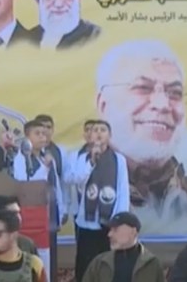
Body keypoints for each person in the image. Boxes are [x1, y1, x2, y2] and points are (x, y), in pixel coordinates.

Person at [95, 40, 187, 222]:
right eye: (143, 88)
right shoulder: (83, 184)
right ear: (104, 105)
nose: (162, 105)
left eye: (175, 92)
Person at [65, 120, 130, 282]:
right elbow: (75, 181)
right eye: (95, 130)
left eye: (103, 130)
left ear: (110, 136)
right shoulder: (81, 157)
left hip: (109, 222)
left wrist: (119, 219)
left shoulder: (118, 159)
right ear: (89, 135)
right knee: (85, 262)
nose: (99, 133)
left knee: (109, 262)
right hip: (86, 221)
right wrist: (91, 162)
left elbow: (122, 190)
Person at [11, 119, 63, 282]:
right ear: (27, 137)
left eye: (45, 133)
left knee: (51, 254)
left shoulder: (46, 157)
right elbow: (26, 184)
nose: (43, 137)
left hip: (50, 213)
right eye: (37, 133)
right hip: (33, 216)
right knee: (35, 254)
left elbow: (56, 185)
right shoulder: (21, 159)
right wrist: (44, 168)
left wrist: (61, 209)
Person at [82, 212, 166, 282]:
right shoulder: (99, 263)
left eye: (115, 230)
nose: (109, 234)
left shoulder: (151, 263)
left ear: (133, 232)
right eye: (110, 230)